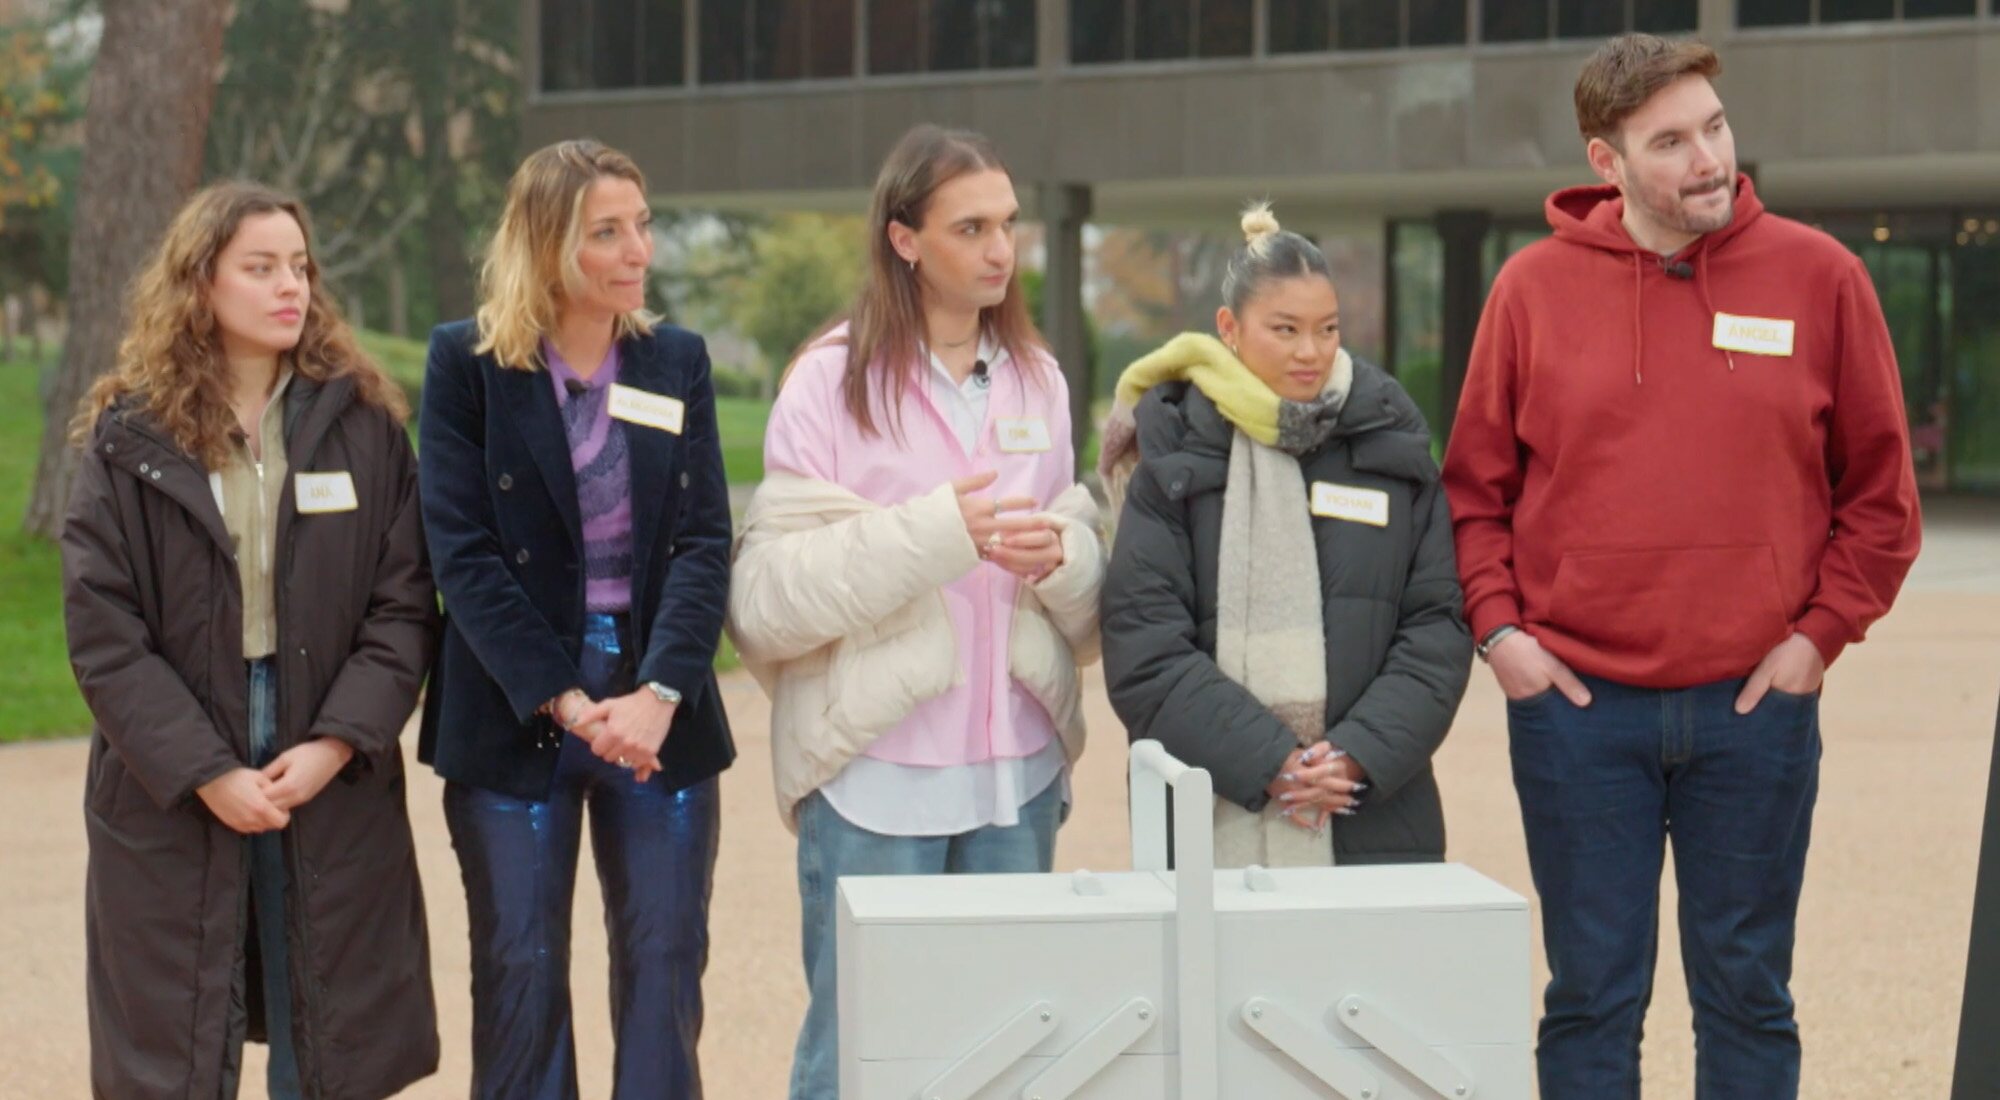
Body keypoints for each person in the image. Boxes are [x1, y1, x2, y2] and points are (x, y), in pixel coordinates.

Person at [1440, 34, 1922, 1099]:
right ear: (1604, 162)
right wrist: (1502, 636)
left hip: (1753, 708)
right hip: (1574, 711)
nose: (1707, 158)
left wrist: (1815, 638)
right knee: (1589, 999)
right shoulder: (1528, 290)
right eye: (1669, 141)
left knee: (1747, 995)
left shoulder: (1820, 277)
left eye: (1713, 126)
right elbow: (1472, 492)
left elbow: (1880, 498)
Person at [726, 124, 1106, 1100]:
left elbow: (1083, 571)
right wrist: (940, 533)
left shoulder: (1039, 379)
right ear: (904, 239)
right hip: (873, 777)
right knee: (857, 1053)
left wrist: (1061, 556)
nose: (997, 250)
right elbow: (766, 601)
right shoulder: (827, 379)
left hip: (1013, 774)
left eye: (1007, 226)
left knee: (1006, 1049)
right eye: (969, 226)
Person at [62, 181, 438, 1100]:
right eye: (260, 268)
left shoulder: (364, 424)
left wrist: (338, 742)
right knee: (179, 1031)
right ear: (200, 285)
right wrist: (202, 769)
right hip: (181, 756)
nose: (290, 287)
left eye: (300, 267)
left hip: (323, 748)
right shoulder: (130, 437)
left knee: (328, 1014)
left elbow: (403, 605)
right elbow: (102, 628)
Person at [418, 139, 735, 1099]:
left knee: (665, 973)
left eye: (642, 224)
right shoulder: (466, 365)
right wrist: (562, 694)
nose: (638, 249)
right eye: (608, 231)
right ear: (549, 244)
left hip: (656, 709)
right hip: (518, 705)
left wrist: (659, 693)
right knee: (519, 975)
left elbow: (704, 541)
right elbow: (460, 552)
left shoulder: (674, 361)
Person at [1099, 202, 1470, 869]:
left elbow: (1437, 626)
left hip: (1373, 817)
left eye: (1327, 329)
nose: (1311, 351)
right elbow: (1144, 645)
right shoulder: (1173, 455)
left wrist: (1355, 756)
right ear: (1229, 328)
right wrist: (1271, 761)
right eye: (1286, 329)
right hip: (1209, 818)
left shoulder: (1388, 446)